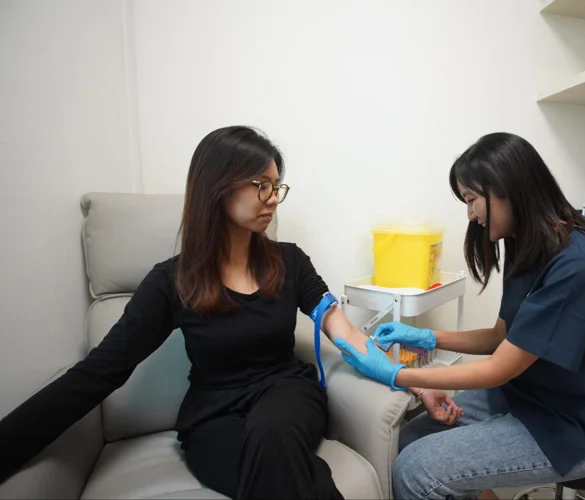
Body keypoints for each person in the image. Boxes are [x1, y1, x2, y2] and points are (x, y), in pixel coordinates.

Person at [0, 125, 461, 499]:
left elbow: (348, 337)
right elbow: (100, 371)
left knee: (273, 436)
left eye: (276, 185)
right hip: (211, 418)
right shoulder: (172, 281)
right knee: (294, 477)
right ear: (217, 188)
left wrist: (417, 384)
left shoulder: (291, 262)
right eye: (260, 185)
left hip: (287, 394)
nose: (273, 198)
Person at [334, 132, 585, 499]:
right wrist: (429, 338)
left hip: (570, 426)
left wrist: (397, 373)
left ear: (509, 187)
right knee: (409, 437)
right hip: (525, 398)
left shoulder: (577, 266)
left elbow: (500, 367)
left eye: (472, 199)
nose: (470, 214)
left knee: (417, 469)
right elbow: (501, 336)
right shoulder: (527, 244)